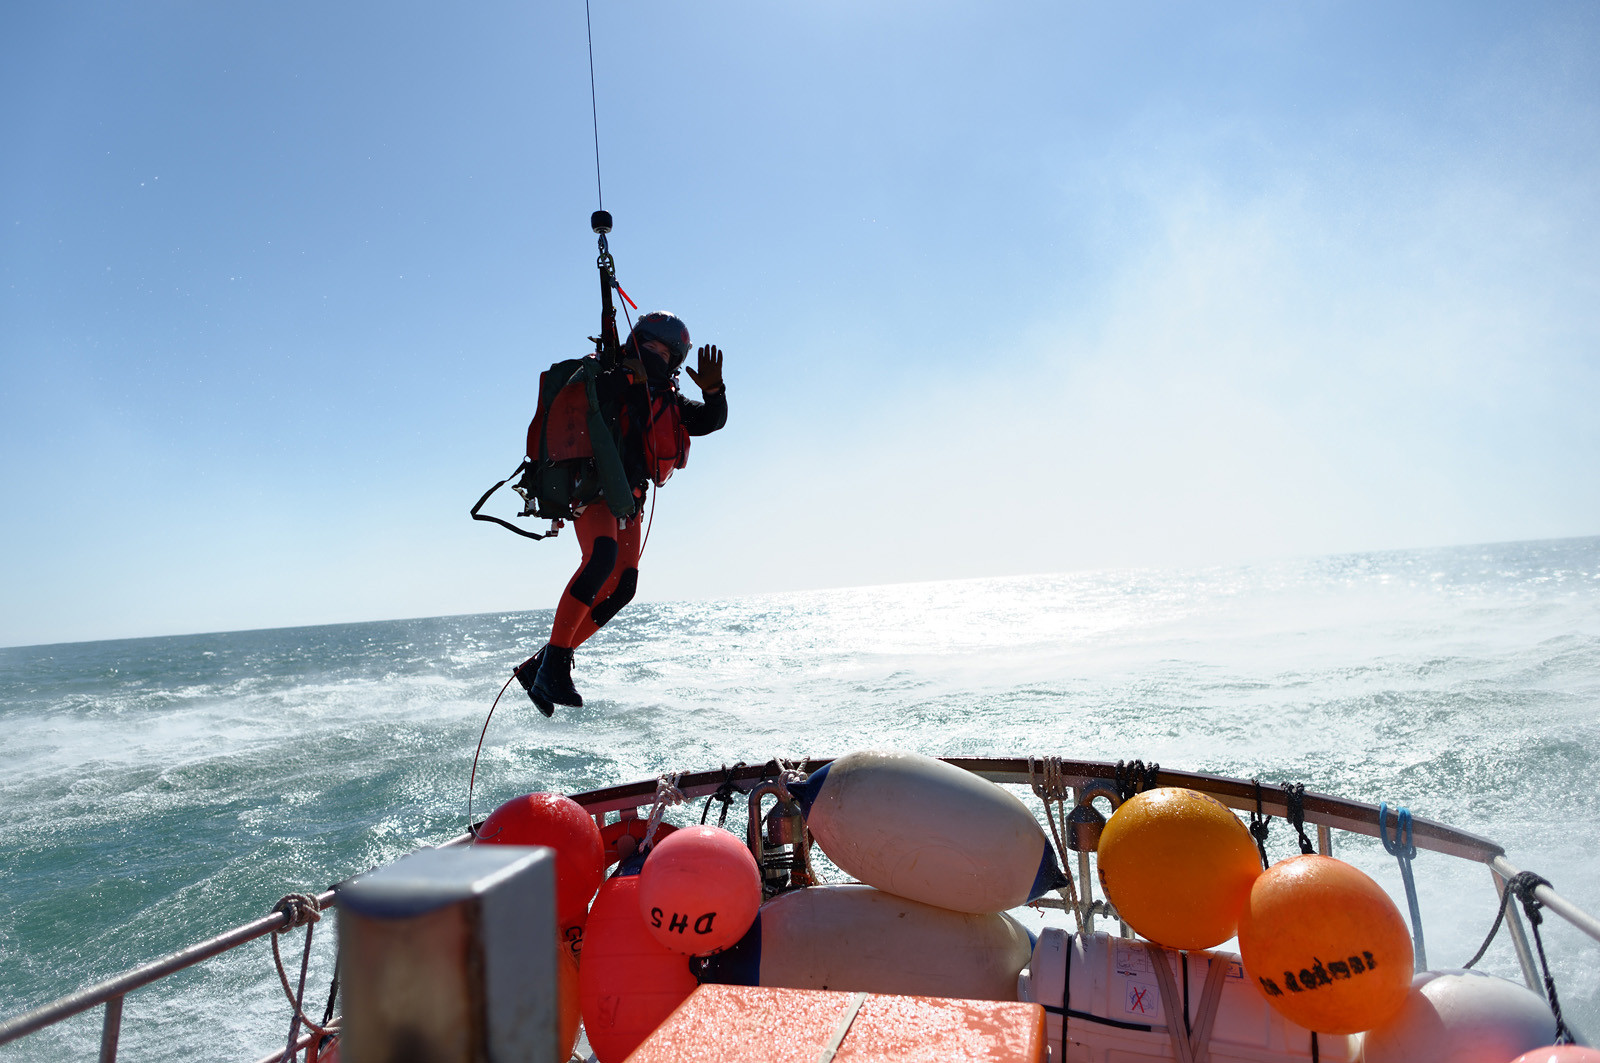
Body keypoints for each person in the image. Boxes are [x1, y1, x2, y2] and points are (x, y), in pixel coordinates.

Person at [513, 311, 727, 715]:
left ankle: (541, 666)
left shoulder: (665, 398)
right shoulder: (610, 374)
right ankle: (555, 664)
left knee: (624, 585)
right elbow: (593, 397)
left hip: (629, 496)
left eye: (666, 352)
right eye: (650, 346)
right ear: (634, 343)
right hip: (593, 484)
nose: (656, 356)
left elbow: (709, 421)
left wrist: (716, 393)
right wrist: (622, 374)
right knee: (600, 559)